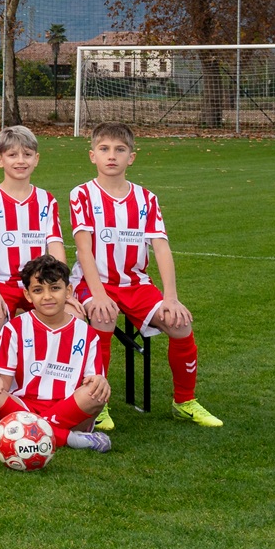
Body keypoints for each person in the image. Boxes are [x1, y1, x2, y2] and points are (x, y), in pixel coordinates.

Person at [70, 122, 222, 428]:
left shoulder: (146, 199)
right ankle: (97, 404)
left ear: (131, 157)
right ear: (92, 155)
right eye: (104, 149)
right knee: (102, 316)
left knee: (180, 324)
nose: (111, 156)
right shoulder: (82, 194)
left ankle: (184, 402)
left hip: (135, 283)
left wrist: (171, 298)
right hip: (92, 282)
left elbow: (161, 248)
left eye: (119, 150)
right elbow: (84, 250)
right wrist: (99, 295)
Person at [0, 255, 114, 451]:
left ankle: (17, 430)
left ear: (68, 291)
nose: (47, 296)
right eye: (38, 290)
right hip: (23, 405)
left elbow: (93, 380)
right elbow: (2, 384)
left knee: (96, 393)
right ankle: (70, 439)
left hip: (68, 410)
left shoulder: (87, 334)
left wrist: (99, 381)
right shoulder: (14, 328)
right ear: (27, 295)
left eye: (55, 288)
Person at [0, 125, 66, 379]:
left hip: (39, 283)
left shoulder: (47, 200)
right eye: (12, 155)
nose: (20, 161)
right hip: (2, 283)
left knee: (71, 314)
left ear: (36, 159)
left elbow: (56, 245)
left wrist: (62, 287)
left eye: (27, 154)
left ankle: (54, 385)